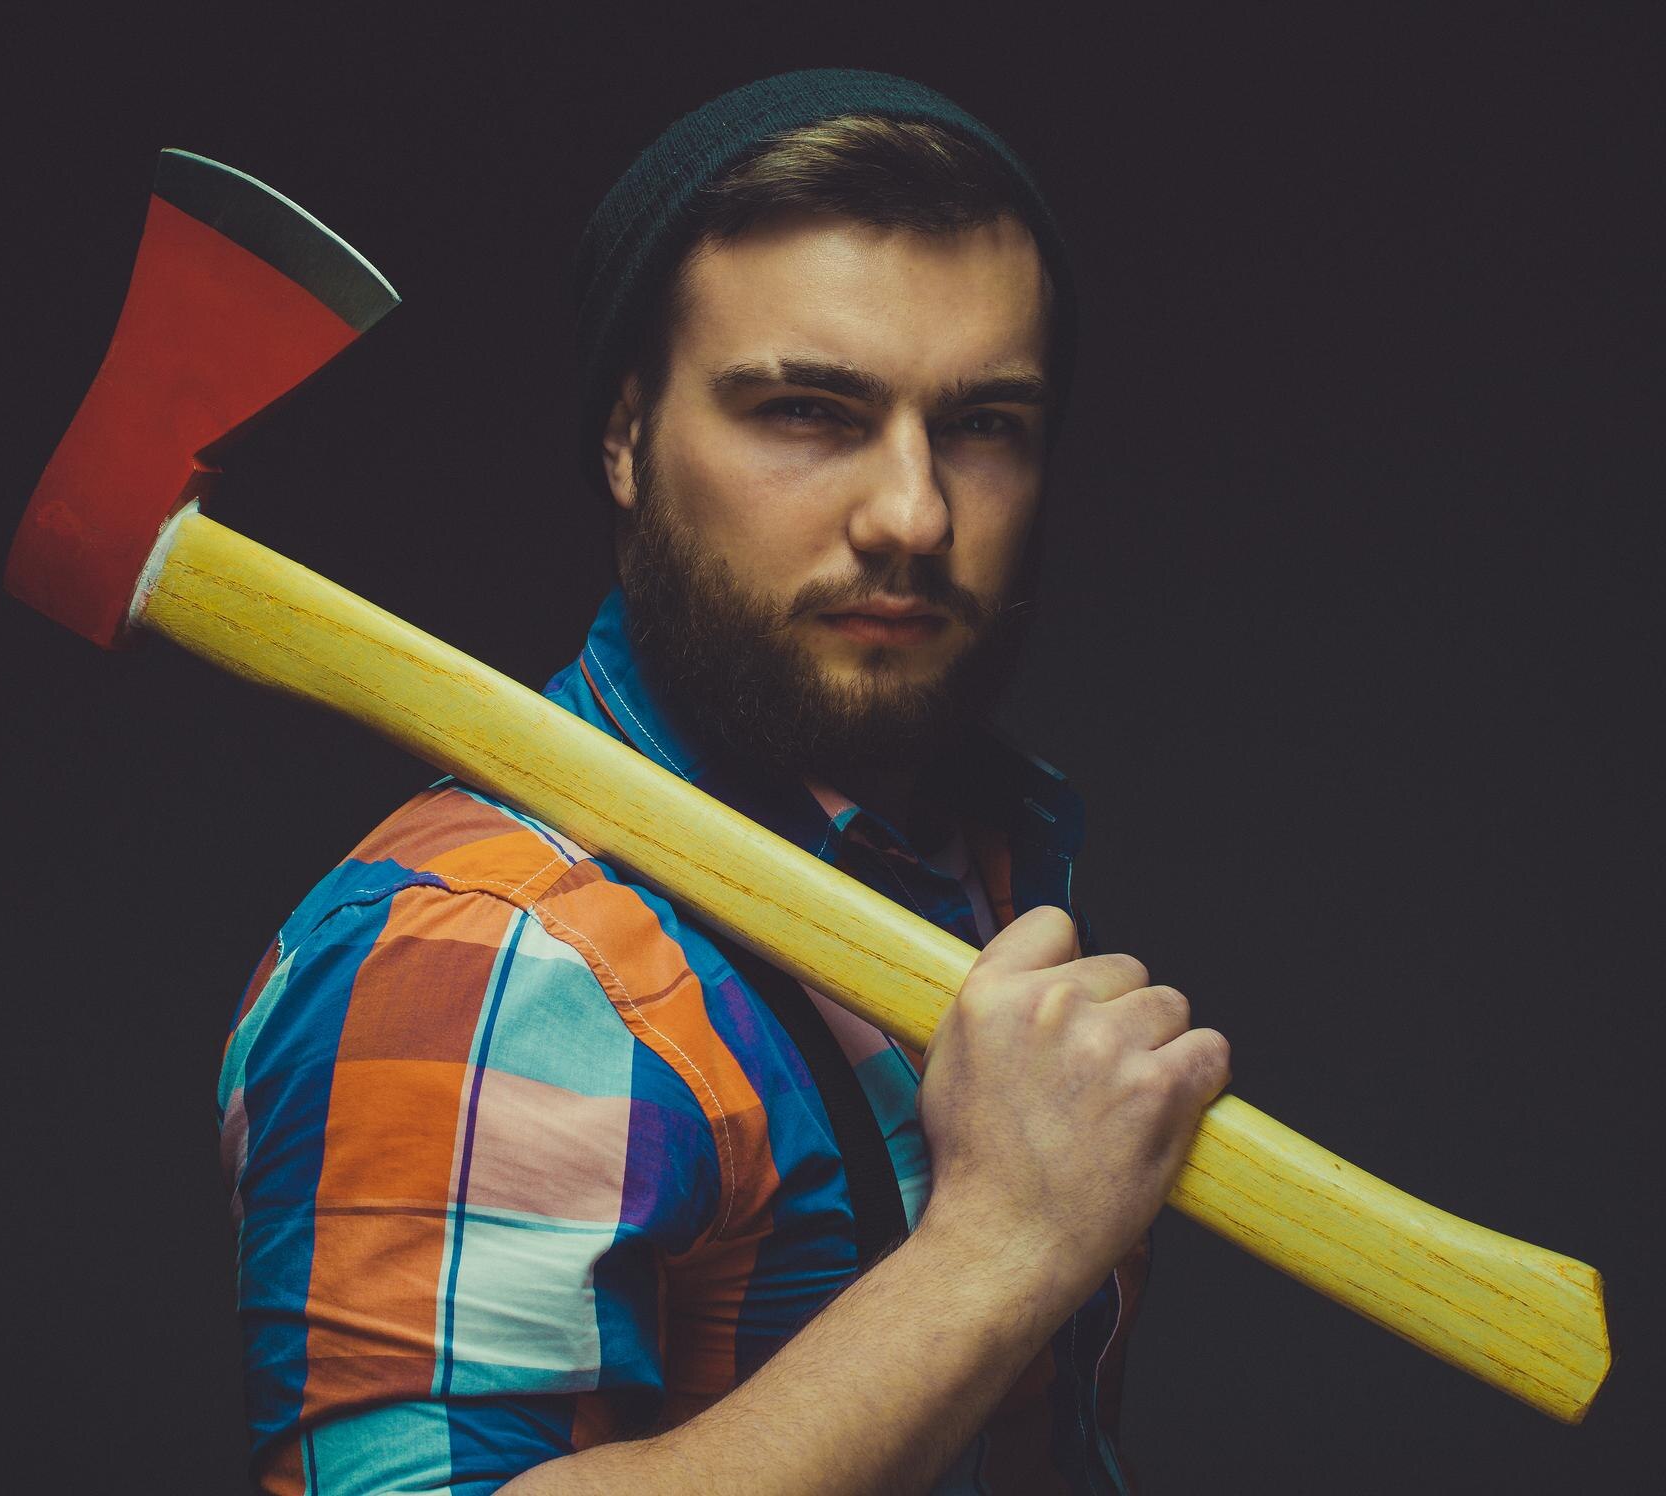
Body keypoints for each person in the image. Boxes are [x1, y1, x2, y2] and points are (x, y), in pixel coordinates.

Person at [218, 69, 1230, 1495]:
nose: (914, 513)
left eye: (985, 424)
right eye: (809, 410)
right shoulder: (486, 956)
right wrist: (999, 1251)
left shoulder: (961, 857)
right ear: (627, 437)